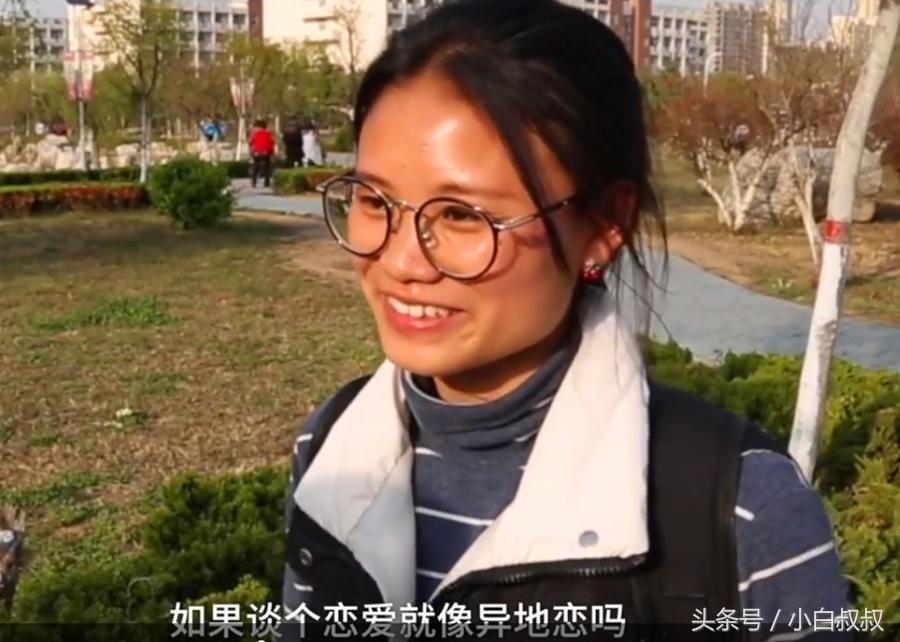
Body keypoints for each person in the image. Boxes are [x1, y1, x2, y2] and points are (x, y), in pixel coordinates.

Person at [281, 0, 851, 639]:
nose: (401, 260)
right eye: (373, 200)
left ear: (604, 225)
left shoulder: (742, 507)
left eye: (463, 216)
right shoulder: (332, 451)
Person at [249, 118, 275, 188]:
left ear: (258, 127)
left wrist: (252, 152)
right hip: (266, 153)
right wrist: (272, 153)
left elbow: (251, 142)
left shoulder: (255, 134)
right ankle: (267, 181)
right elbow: (271, 143)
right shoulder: (268, 134)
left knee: (255, 167)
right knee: (267, 166)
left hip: (257, 153)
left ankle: (254, 182)